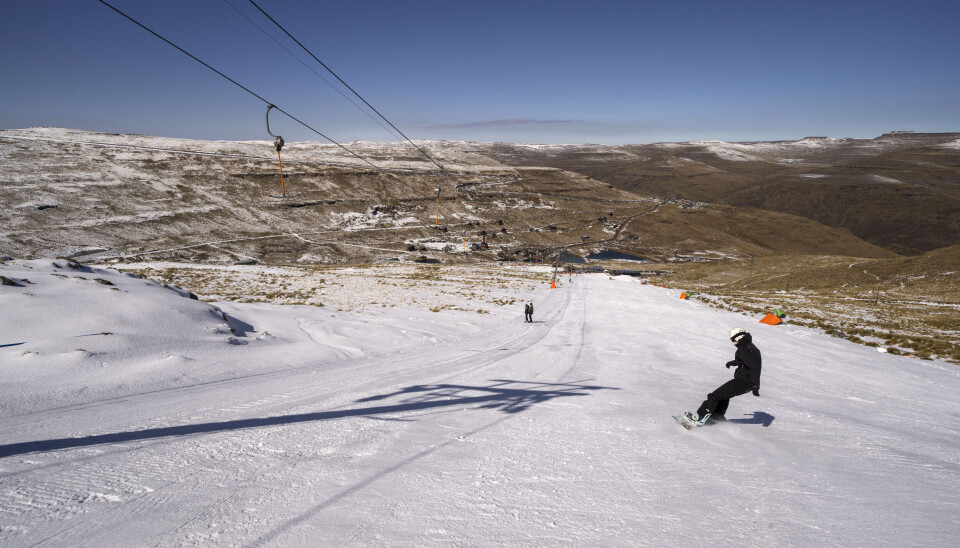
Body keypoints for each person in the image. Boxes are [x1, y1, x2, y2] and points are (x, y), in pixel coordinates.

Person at [680, 327, 762, 427]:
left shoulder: (743, 350)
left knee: (714, 396)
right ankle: (717, 416)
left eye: (732, 340)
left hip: (744, 381)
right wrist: (732, 363)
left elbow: (754, 367)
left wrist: (756, 385)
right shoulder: (751, 347)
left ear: (738, 338)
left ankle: (698, 418)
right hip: (747, 382)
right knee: (723, 396)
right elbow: (747, 361)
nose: (732, 342)